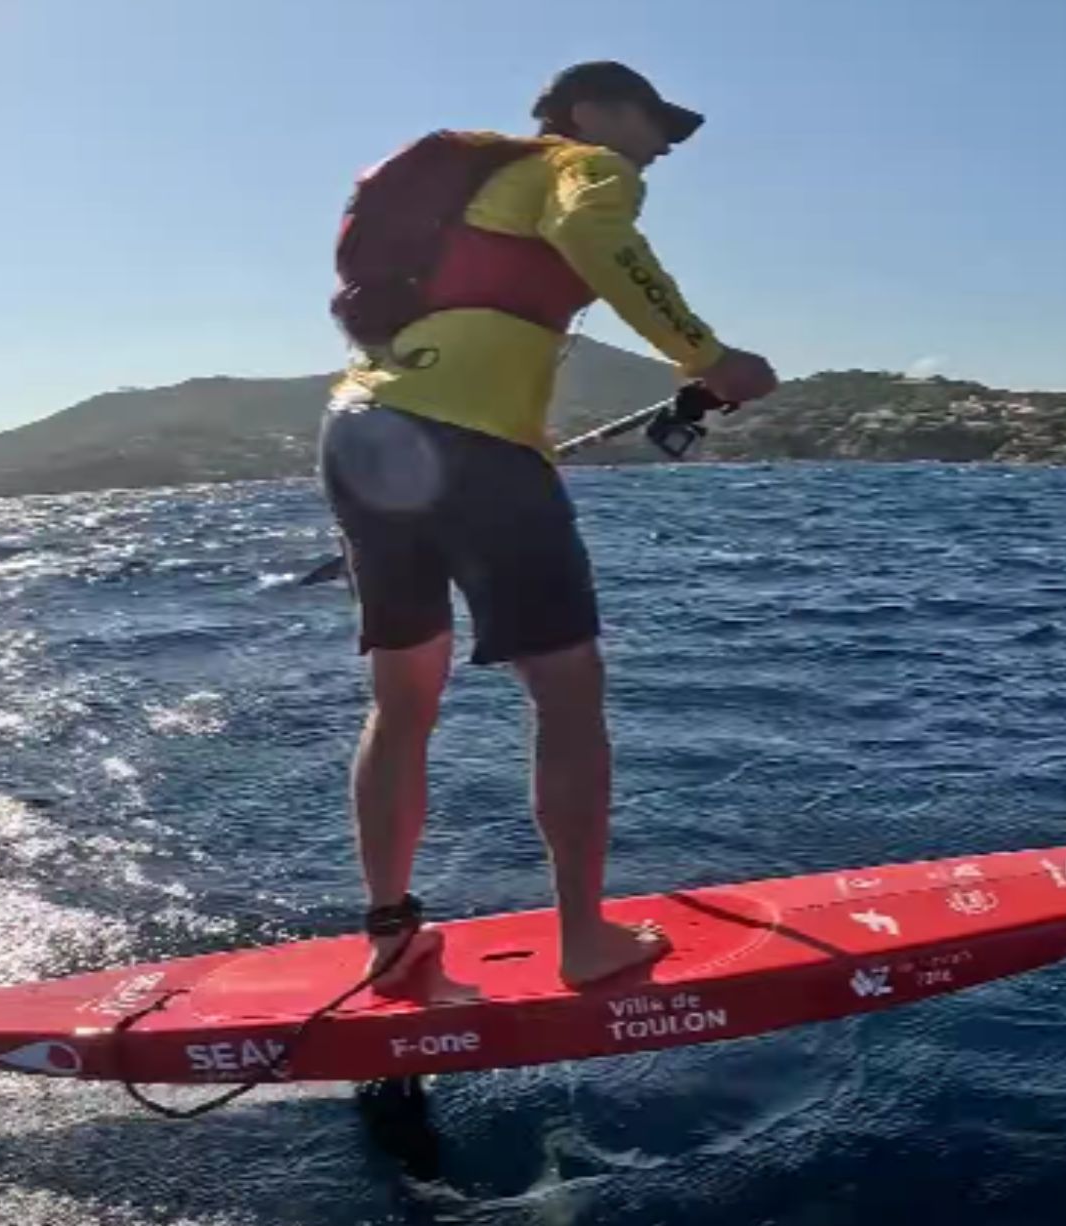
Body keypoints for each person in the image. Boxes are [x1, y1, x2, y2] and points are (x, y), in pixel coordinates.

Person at [319, 61, 778, 994]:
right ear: (598, 109)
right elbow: (594, 236)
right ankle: (585, 942)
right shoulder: (586, 165)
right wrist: (710, 357)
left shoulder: (480, 184)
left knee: (404, 699)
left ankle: (393, 941)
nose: (664, 148)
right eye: (659, 125)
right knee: (567, 691)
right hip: (474, 445)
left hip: (361, 430)